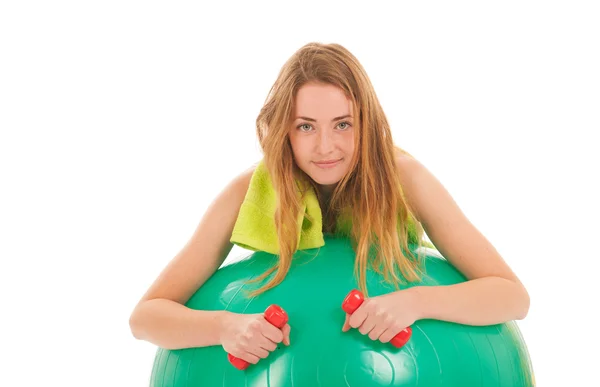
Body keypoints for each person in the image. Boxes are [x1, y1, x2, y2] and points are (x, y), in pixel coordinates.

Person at [129, 42, 530, 367]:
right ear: (284, 128)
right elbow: (146, 317)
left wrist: (415, 302)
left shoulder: (405, 179)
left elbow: (512, 296)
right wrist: (225, 328)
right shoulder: (245, 192)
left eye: (343, 124)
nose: (326, 147)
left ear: (366, 123)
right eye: (306, 126)